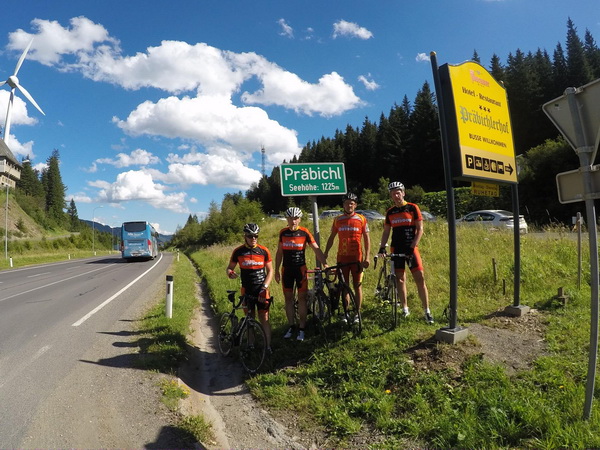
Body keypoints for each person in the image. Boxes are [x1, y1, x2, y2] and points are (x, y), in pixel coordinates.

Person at [378, 182, 434, 324]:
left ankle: (427, 310)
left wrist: (412, 246)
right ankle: (405, 309)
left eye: (398, 192)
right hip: (396, 248)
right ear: (391, 196)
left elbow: (420, 229)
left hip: (411, 248)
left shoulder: (413, 208)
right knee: (400, 279)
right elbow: (386, 231)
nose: (396, 196)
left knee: (420, 278)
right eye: (393, 194)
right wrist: (382, 247)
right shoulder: (390, 212)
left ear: (403, 193)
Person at [275, 206, 328, 342]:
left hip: (300, 270)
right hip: (286, 270)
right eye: (290, 218)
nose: (293, 221)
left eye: (296, 218)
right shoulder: (283, 233)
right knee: (288, 299)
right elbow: (279, 253)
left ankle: (302, 328)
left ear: (299, 219)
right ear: (287, 219)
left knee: (302, 298)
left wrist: (325, 264)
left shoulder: (304, 232)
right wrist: (276, 270)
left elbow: (316, 249)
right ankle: (291, 326)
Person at [323, 192, 371, 323]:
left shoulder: (361, 219)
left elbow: (367, 239)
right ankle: (346, 313)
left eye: (351, 203)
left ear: (355, 205)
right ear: (343, 205)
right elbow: (332, 237)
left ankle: (357, 313)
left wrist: (367, 257)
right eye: (346, 203)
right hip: (342, 258)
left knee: (357, 285)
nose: (349, 205)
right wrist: (326, 252)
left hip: (357, 258)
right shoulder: (337, 219)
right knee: (344, 286)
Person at [226, 223, 274, 350]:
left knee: (264, 318)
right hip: (246, 290)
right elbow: (229, 268)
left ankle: (268, 347)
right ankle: (250, 345)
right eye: (250, 236)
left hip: (262, 290)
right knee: (249, 319)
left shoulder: (264, 251)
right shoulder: (238, 251)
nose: (253, 238)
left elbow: (270, 271)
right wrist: (230, 273)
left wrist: (264, 287)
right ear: (245, 236)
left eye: (256, 236)